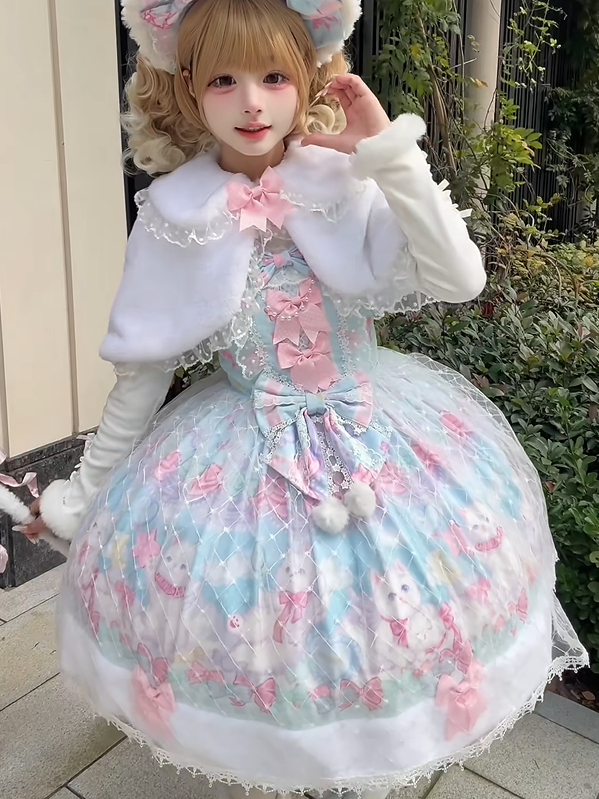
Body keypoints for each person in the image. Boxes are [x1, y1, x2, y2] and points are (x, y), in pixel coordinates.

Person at [22, 0, 587, 795]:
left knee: (384, 623)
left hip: (380, 433)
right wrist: (82, 497)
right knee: (270, 633)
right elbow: (140, 377)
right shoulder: (175, 217)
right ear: (186, 86)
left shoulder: (341, 179)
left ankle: (364, 761)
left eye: (274, 76)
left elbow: (460, 277)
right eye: (223, 79)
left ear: (308, 79)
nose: (252, 102)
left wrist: (389, 156)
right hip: (245, 454)